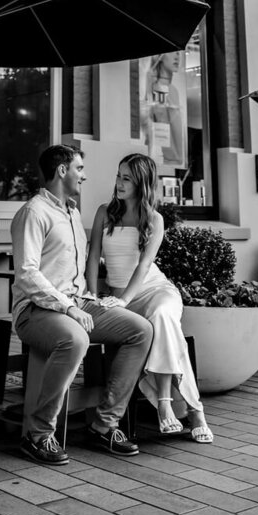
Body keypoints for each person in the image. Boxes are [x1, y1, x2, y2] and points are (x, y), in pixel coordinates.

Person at [10, 144, 153, 466]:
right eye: (79, 169)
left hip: (78, 302)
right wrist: (68, 307)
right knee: (75, 339)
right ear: (62, 171)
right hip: (37, 310)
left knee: (140, 329)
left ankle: (104, 424)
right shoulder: (33, 212)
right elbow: (27, 273)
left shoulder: (72, 212)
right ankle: (37, 434)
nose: (84, 176)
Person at [86, 152, 213, 443]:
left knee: (162, 316)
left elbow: (145, 266)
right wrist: (92, 295)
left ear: (142, 182)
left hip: (156, 291)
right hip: (120, 298)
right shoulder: (104, 212)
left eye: (127, 178)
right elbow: (93, 257)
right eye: (118, 176)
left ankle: (165, 403)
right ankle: (195, 411)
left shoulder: (154, 219)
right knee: (169, 330)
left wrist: (124, 300)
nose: (119, 182)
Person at [140, 51, 184, 167]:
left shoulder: (173, 91)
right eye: (172, 52)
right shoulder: (155, 87)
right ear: (160, 57)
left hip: (174, 161)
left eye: (179, 53)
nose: (177, 56)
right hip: (162, 159)